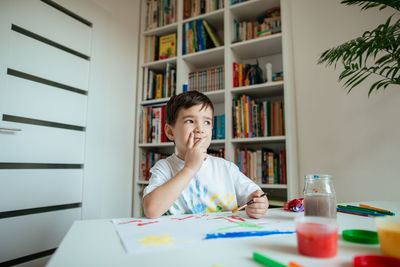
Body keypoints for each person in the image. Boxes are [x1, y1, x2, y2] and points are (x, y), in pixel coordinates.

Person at [143, 91, 269, 219]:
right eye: (190, 121)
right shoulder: (164, 168)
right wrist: (189, 168)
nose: (200, 129)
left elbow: (257, 195)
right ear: (170, 132)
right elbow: (151, 210)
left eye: (207, 122)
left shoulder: (226, 168)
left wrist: (259, 205)